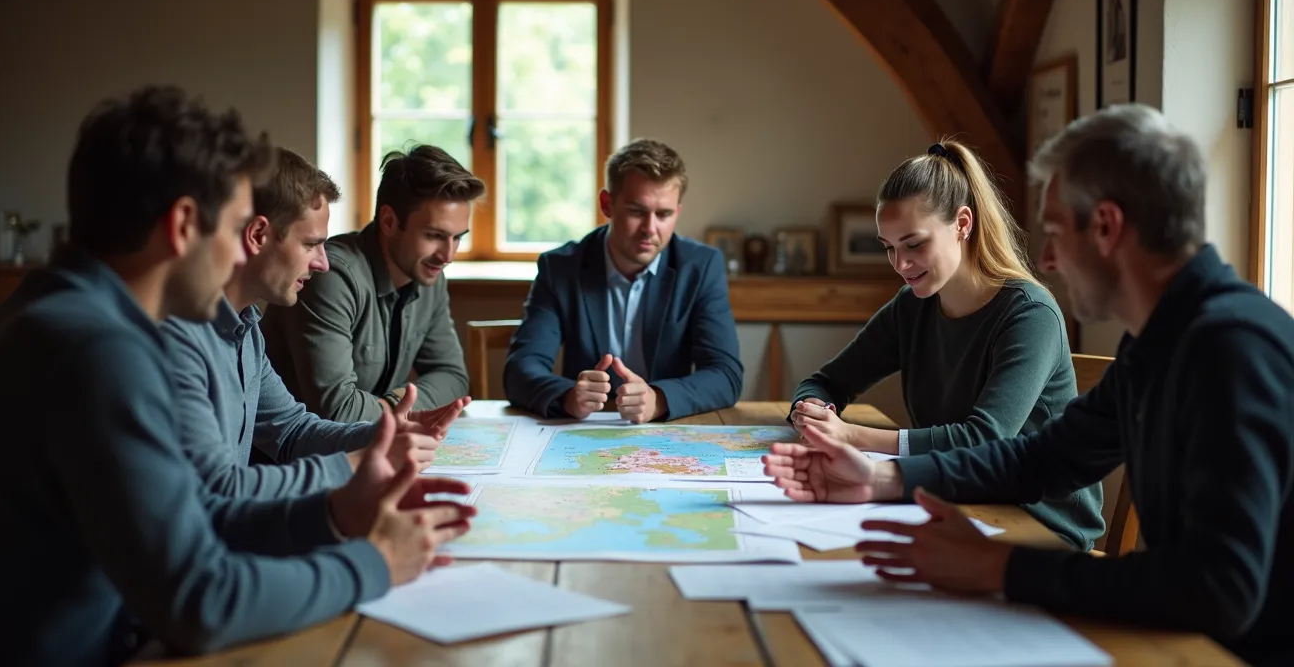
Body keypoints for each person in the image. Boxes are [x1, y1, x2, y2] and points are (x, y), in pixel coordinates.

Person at [762, 104, 1294, 666]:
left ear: (1108, 227)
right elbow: (1044, 459)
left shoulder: (1231, 349)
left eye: (1058, 231)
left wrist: (1000, 567)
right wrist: (881, 479)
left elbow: (1218, 589)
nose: (1046, 257)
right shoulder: (1159, 339)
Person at [0, 86, 476, 666]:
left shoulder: (60, 311)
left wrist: (335, 512)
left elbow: (194, 513)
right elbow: (202, 600)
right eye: (239, 224)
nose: (243, 252)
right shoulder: (100, 351)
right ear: (185, 224)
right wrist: (377, 563)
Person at [787, 139, 1102, 551]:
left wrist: (852, 436)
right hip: (956, 501)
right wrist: (814, 412)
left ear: (962, 224)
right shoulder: (913, 307)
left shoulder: (1030, 315)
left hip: (1039, 525)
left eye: (914, 244)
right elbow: (827, 380)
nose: (900, 265)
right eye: (889, 248)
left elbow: (985, 439)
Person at [162, 147, 471, 498]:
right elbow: (218, 489)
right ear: (258, 235)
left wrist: (386, 433)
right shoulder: (180, 336)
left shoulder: (247, 328)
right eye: (311, 244)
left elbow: (294, 431)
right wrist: (361, 460)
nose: (322, 263)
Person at [503, 138, 744, 422]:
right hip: (582, 433)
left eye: (664, 214)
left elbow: (725, 375)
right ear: (607, 204)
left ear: (677, 212)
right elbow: (521, 369)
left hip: (668, 431)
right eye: (637, 211)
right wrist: (568, 396)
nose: (650, 229)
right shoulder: (560, 268)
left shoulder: (701, 267)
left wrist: (659, 398)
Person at [260, 144, 482, 422]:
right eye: (434, 235)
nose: (448, 255)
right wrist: (398, 413)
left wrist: (395, 404)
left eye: (458, 237)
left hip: (365, 449)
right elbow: (338, 411)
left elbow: (453, 377)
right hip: (297, 457)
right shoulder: (332, 277)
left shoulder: (428, 275)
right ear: (389, 221)